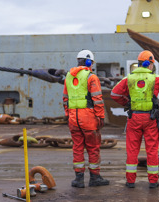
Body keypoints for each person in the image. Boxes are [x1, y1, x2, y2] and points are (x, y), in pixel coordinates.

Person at [111, 50, 159, 189]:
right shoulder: (155, 79)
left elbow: (114, 93)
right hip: (150, 119)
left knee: (132, 150)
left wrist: (126, 103)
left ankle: (130, 181)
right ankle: (153, 181)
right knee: (152, 150)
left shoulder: (128, 79)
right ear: (149, 64)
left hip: (134, 118)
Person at [62, 50, 109, 188]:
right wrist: (100, 116)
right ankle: (95, 178)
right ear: (89, 62)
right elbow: (97, 99)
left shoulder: (68, 76)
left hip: (73, 118)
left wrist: (68, 115)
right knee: (93, 148)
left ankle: (79, 179)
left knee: (77, 148)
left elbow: (65, 99)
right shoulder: (91, 77)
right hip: (88, 118)